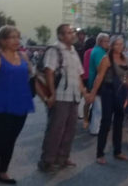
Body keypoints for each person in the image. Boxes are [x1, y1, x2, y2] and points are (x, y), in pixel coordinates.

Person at [38, 24, 88, 172]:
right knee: (55, 129)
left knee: (70, 129)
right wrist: (52, 94)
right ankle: (47, 160)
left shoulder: (72, 51)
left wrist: (84, 93)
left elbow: (79, 75)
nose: (72, 35)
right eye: (68, 33)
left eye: (73, 32)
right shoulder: (55, 50)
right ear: (60, 36)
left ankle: (63, 158)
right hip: (60, 97)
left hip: (72, 97)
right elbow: (49, 72)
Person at [0, 26, 35, 184]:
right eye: (12, 37)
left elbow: (30, 76)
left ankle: (3, 173)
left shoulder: (23, 56)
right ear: (2, 40)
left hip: (21, 105)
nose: (17, 40)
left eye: (18, 37)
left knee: (10, 141)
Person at [87, 35, 128, 164]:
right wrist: (92, 93)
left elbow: (127, 78)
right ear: (112, 45)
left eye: (121, 44)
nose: (119, 46)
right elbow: (99, 77)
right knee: (106, 122)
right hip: (108, 92)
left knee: (119, 122)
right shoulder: (106, 59)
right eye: (116, 44)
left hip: (121, 92)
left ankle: (117, 151)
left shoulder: (124, 58)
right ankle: (100, 153)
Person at [87, 33, 110, 135]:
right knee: (98, 109)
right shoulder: (99, 52)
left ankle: (95, 127)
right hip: (97, 82)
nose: (108, 43)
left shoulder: (97, 50)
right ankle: (95, 129)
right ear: (100, 41)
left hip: (94, 81)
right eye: (106, 41)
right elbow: (100, 70)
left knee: (97, 108)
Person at [79, 37, 96, 126]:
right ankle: (87, 119)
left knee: (87, 100)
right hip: (91, 77)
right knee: (91, 100)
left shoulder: (86, 52)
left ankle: (85, 119)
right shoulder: (93, 51)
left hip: (85, 77)